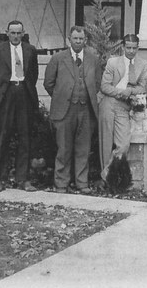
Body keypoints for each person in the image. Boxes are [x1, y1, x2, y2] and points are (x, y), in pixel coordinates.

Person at [43, 25, 103, 194]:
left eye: (81, 39)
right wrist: (61, 97)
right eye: (75, 38)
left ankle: (82, 183)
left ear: (85, 40)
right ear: (69, 40)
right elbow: (48, 83)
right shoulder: (58, 58)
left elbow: (97, 83)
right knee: (64, 148)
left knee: (83, 148)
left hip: (86, 110)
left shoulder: (93, 59)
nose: (78, 41)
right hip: (65, 110)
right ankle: (61, 183)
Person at [0, 20, 40, 192]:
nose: (16, 36)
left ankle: (23, 179)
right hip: (6, 95)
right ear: (7, 33)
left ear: (23, 33)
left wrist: (25, 89)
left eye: (18, 33)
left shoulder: (30, 50)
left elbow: (33, 74)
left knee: (25, 137)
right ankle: (0, 179)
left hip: (24, 94)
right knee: (3, 137)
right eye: (13, 33)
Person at [98, 33, 147, 173]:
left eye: (134, 48)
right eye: (128, 47)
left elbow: (142, 87)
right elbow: (105, 86)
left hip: (124, 106)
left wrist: (129, 91)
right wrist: (121, 92)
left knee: (123, 145)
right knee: (106, 143)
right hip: (109, 103)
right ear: (123, 47)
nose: (131, 51)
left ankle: (109, 173)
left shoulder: (143, 64)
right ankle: (107, 178)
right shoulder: (113, 62)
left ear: (138, 48)